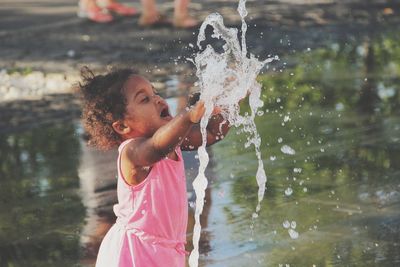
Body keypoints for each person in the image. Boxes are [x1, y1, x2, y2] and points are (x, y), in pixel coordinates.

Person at [78, 67, 230, 266]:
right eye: (145, 99)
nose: (158, 99)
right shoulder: (131, 153)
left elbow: (212, 134)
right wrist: (188, 115)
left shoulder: (172, 142)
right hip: (133, 253)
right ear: (123, 126)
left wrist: (224, 104)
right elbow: (157, 147)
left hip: (166, 250)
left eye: (155, 92)